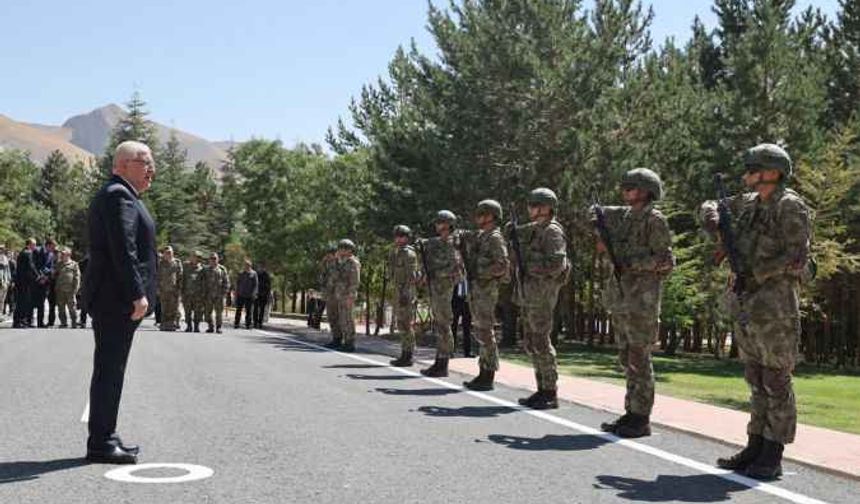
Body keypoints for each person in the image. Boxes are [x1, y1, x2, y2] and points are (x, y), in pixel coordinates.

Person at [700, 144, 813, 480]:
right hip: (746, 301)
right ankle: (755, 444)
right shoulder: (747, 203)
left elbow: (797, 257)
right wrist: (713, 217)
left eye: (753, 167)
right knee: (756, 377)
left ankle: (773, 453)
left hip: (775, 305)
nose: (747, 173)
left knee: (776, 379)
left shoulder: (789, 206)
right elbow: (710, 205)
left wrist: (756, 273)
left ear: (773, 171)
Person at [81, 140, 157, 464]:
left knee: (111, 369)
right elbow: (122, 250)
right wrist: (136, 294)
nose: (152, 168)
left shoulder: (123, 195)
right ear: (123, 164)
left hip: (113, 299)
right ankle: (100, 442)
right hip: (116, 300)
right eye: (145, 161)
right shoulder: (119, 196)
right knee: (110, 370)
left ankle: (105, 436)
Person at [593, 169, 675, 438]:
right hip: (622, 298)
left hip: (642, 301)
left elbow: (664, 262)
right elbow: (595, 213)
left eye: (631, 187)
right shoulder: (625, 217)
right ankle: (631, 412)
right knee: (627, 358)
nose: (625, 191)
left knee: (640, 358)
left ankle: (641, 418)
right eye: (625, 187)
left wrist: (629, 261)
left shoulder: (654, 219)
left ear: (645, 190)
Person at [509, 188, 570, 410]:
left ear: (546, 208)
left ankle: (550, 391)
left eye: (535, 205)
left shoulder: (552, 231)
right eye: (530, 204)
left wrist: (529, 264)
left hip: (542, 294)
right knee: (532, 342)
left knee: (542, 342)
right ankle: (541, 388)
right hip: (530, 294)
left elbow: (557, 264)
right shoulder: (536, 229)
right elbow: (519, 236)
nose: (530, 209)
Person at [460, 200, 510, 391]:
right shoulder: (483, 237)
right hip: (478, 289)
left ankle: (488, 375)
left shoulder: (495, 238)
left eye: (482, 213)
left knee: (485, 331)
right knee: (481, 331)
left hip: (486, 290)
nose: (478, 217)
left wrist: (480, 270)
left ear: (492, 216)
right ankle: (483, 371)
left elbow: (502, 265)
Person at [417, 210, 465, 378]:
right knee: (440, 324)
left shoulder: (455, 243)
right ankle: (439, 360)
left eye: (439, 222)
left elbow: (455, 268)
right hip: (436, 287)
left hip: (444, 287)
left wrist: (436, 272)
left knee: (444, 324)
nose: (437, 225)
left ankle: (443, 362)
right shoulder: (437, 242)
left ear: (447, 224)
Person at [389, 225, 419, 367]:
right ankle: (404, 353)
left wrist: (406, 294)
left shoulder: (408, 254)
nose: (398, 239)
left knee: (406, 324)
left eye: (401, 236)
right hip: (399, 291)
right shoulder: (397, 252)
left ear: (407, 238)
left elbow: (412, 277)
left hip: (406, 292)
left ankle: (408, 355)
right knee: (401, 324)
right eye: (397, 236)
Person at [329, 239, 361, 352]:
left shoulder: (353, 263)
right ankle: (337, 339)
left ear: (350, 250)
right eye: (340, 248)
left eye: (344, 248)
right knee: (334, 317)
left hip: (347, 295)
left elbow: (355, 282)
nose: (342, 251)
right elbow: (333, 276)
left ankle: (349, 343)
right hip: (336, 293)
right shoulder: (337, 261)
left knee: (347, 319)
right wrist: (335, 261)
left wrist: (351, 296)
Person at [201, 252, 230, 334]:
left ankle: (218, 327)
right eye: (211, 258)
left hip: (219, 295)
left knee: (219, 313)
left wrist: (224, 293)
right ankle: (210, 326)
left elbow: (226, 282)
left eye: (215, 258)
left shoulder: (222, 269)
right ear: (209, 260)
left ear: (218, 259)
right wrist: (203, 293)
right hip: (208, 294)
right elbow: (202, 281)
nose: (213, 260)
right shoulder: (205, 270)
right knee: (207, 313)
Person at [13, 239, 39, 328]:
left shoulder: (22, 252)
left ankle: (18, 321)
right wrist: (37, 275)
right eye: (34, 244)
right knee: (24, 302)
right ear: (29, 244)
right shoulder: (28, 253)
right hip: (25, 282)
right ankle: (20, 321)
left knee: (21, 301)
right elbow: (31, 266)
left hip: (21, 281)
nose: (35, 246)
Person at [156, 246, 183, 331]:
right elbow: (157, 276)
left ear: (172, 253)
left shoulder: (177, 262)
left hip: (174, 290)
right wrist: (157, 288)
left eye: (169, 252)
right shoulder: (160, 263)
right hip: (163, 289)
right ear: (164, 254)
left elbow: (180, 276)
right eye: (166, 253)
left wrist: (179, 288)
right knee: (164, 308)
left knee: (173, 308)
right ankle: (163, 324)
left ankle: (172, 324)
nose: (168, 254)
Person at [54, 247, 82, 328]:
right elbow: (55, 274)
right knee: (61, 307)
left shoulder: (74, 264)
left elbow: (77, 277)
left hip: (70, 290)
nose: (62, 255)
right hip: (60, 289)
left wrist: (76, 288)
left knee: (72, 307)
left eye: (63, 254)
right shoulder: (59, 264)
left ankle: (74, 322)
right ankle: (63, 322)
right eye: (61, 254)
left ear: (68, 255)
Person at [33, 238, 57, 327]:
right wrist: (40, 277)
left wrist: (47, 276)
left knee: (42, 301)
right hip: (37, 279)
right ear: (48, 245)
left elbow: (50, 267)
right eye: (53, 247)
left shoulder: (51, 254)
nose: (53, 249)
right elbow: (35, 265)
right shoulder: (37, 251)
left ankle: (41, 322)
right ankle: (32, 321)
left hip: (46, 281)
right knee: (36, 302)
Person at [320, 244, 340, 346]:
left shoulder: (339, 263)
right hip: (329, 293)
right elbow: (323, 276)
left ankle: (339, 339)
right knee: (331, 316)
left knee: (337, 317)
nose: (328, 256)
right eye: (327, 254)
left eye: (330, 254)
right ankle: (335, 338)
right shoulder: (326, 263)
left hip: (337, 294)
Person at [181, 251, 204, 332]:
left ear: (198, 258)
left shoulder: (202, 269)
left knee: (198, 311)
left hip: (198, 294)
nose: (193, 258)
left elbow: (204, 282)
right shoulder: (186, 267)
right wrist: (182, 291)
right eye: (192, 256)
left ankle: (196, 326)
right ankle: (189, 326)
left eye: (195, 256)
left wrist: (203, 293)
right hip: (187, 293)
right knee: (187, 311)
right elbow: (182, 279)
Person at [234, 259, 258, 329]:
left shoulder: (254, 274)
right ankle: (236, 323)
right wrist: (236, 293)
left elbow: (256, 285)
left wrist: (254, 293)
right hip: (241, 294)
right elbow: (238, 283)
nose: (247, 267)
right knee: (239, 310)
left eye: (248, 265)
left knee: (249, 311)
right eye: (245, 265)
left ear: (250, 266)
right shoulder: (241, 273)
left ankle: (248, 324)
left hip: (249, 295)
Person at [451, 281, 473, 357]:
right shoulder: (456, 271)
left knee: (467, 327)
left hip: (467, 301)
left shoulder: (469, 274)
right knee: (453, 326)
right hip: (455, 300)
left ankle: (467, 352)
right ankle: (451, 351)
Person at [253, 264, 272, 329]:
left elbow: (269, 286)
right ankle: (255, 322)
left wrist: (267, 294)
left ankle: (260, 322)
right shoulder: (256, 274)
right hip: (256, 294)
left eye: (262, 267)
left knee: (262, 310)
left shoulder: (266, 275)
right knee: (255, 309)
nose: (260, 268)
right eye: (259, 267)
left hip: (263, 295)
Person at [0, 244, 11, 322]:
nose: (1, 250)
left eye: (2, 249)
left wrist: (8, 280)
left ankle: (0, 314)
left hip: (4, 282)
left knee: (2, 300)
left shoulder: (5, 258)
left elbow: (8, 270)